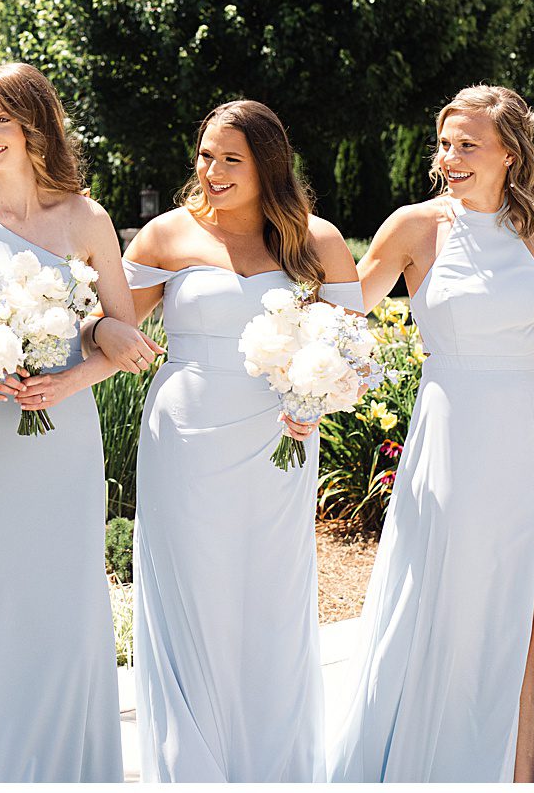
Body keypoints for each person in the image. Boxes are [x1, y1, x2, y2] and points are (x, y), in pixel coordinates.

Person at [330, 85, 534, 782]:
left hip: (530, 437)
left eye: (467, 144)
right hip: (451, 436)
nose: (449, 157)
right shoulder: (416, 227)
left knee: (533, 616)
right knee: (450, 613)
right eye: (444, 143)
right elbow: (345, 308)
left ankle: (522, 777)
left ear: (510, 152)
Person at [0, 62, 150, 782]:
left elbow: (120, 334)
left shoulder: (85, 217)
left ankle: (71, 765)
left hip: (63, 438)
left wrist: (72, 378)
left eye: (0, 121)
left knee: (68, 589)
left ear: (36, 122)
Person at [120, 100, 361, 781]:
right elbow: (106, 329)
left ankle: (272, 768)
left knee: (270, 596)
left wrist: (322, 399)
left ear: (267, 165)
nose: (213, 170)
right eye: (205, 155)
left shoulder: (319, 242)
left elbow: (358, 354)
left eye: (232, 158)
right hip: (184, 437)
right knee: (190, 595)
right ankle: (189, 769)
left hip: (279, 438)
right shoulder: (165, 236)